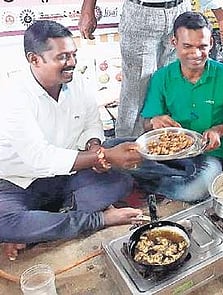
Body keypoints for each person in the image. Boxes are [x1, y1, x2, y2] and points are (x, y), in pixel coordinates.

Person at [0, 20, 143, 260]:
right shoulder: (13, 96)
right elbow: (39, 157)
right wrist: (103, 155)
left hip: (66, 175)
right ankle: (98, 218)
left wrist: (94, 147)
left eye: (73, 54)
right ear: (34, 59)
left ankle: (44, 224)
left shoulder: (76, 82)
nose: (72, 63)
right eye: (62, 57)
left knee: (121, 181)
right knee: (6, 223)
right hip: (17, 183)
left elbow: (91, 122)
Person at [113, 11, 223, 202]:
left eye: (202, 46)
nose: (195, 54)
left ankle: (152, 181)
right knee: (112, 147)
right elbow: (146, 124)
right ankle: (171, 175)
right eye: (187, 46)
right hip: (167, 151)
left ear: (211, 44)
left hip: (209, 152)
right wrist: (154, 121)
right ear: (174, 43)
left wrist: (219, 131)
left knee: (193, 192)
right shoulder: (161, 77)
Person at [79, 0, 223, 137]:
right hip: (141, 12)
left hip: (180, 11)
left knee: (175, 86)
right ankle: (126, 151)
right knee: (136, 91)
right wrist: (88, 7)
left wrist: (221, 14)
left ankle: (171, 147)